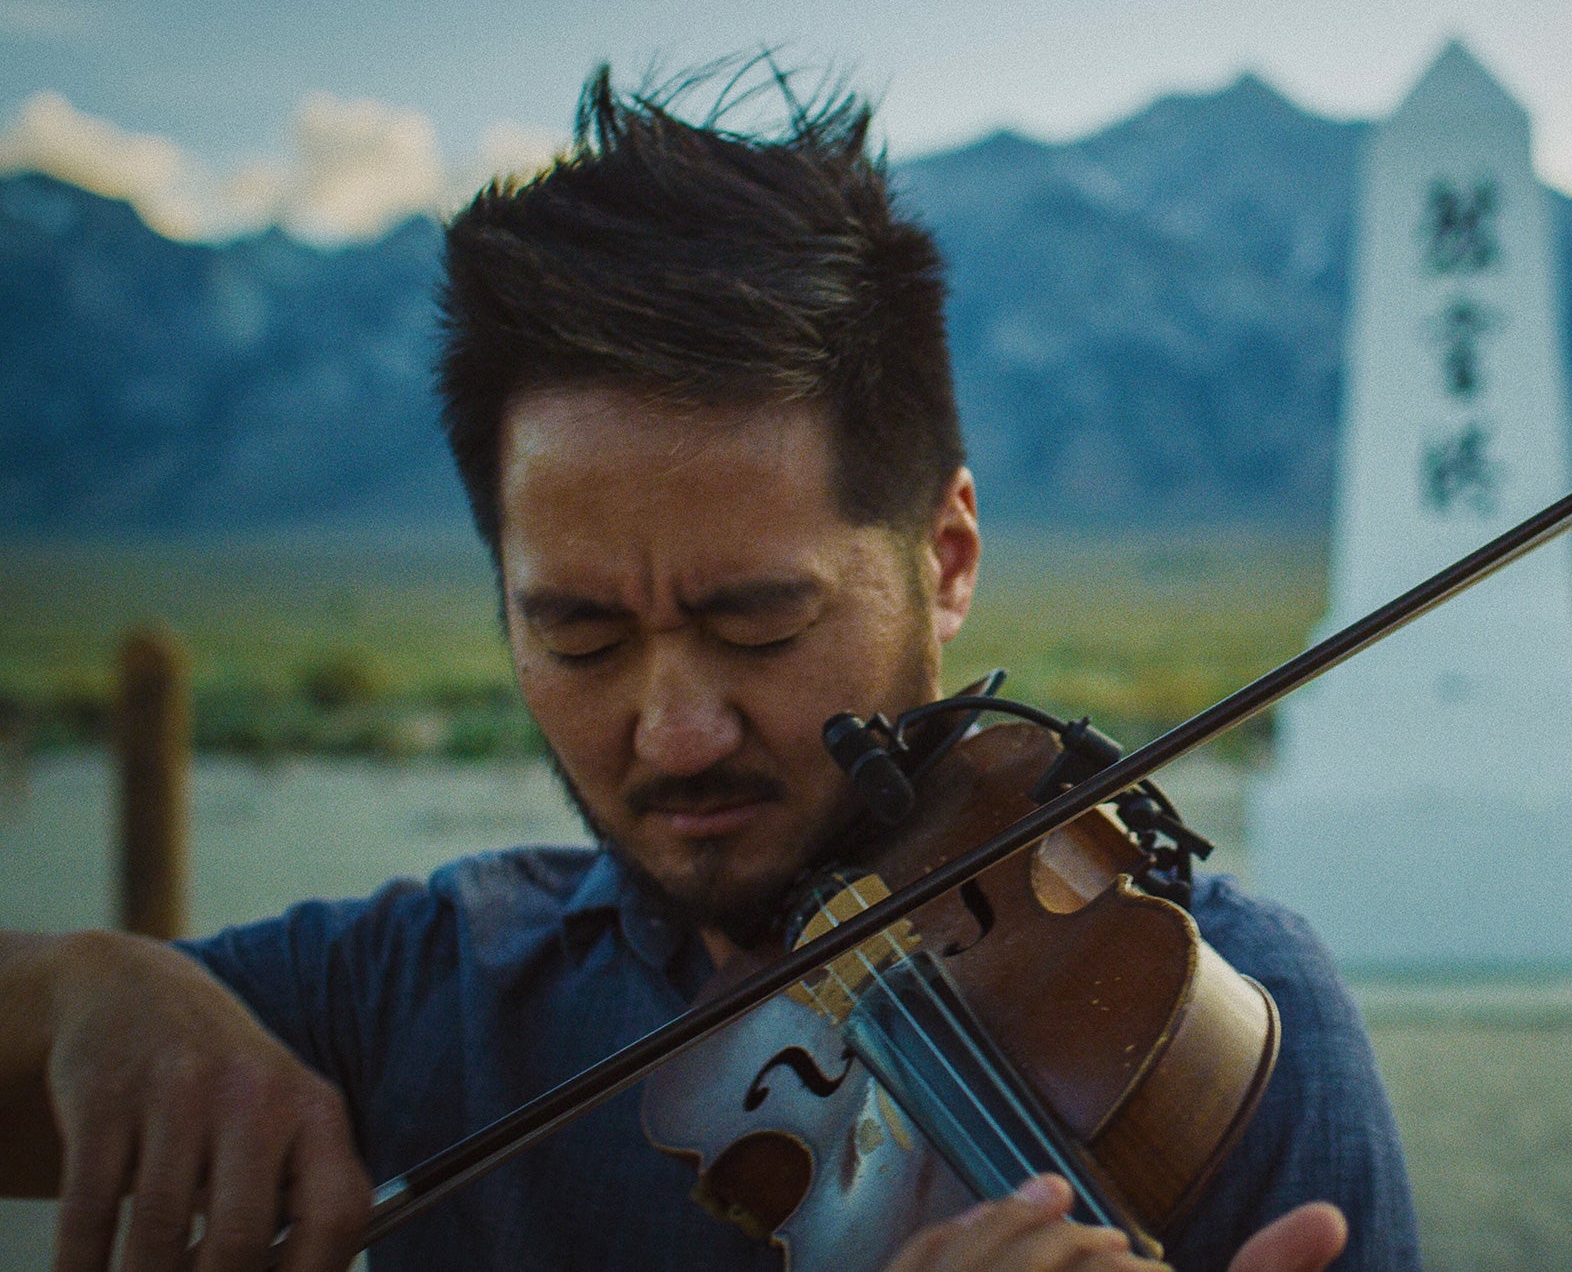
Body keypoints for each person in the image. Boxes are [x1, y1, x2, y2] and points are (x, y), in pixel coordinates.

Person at [0, 61, 1419, 1272]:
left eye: (757, 622)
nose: (674, 731)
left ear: (945, 554)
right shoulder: (433, 983)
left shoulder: (1208, 1019)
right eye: (579, 635)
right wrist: (77, 985)